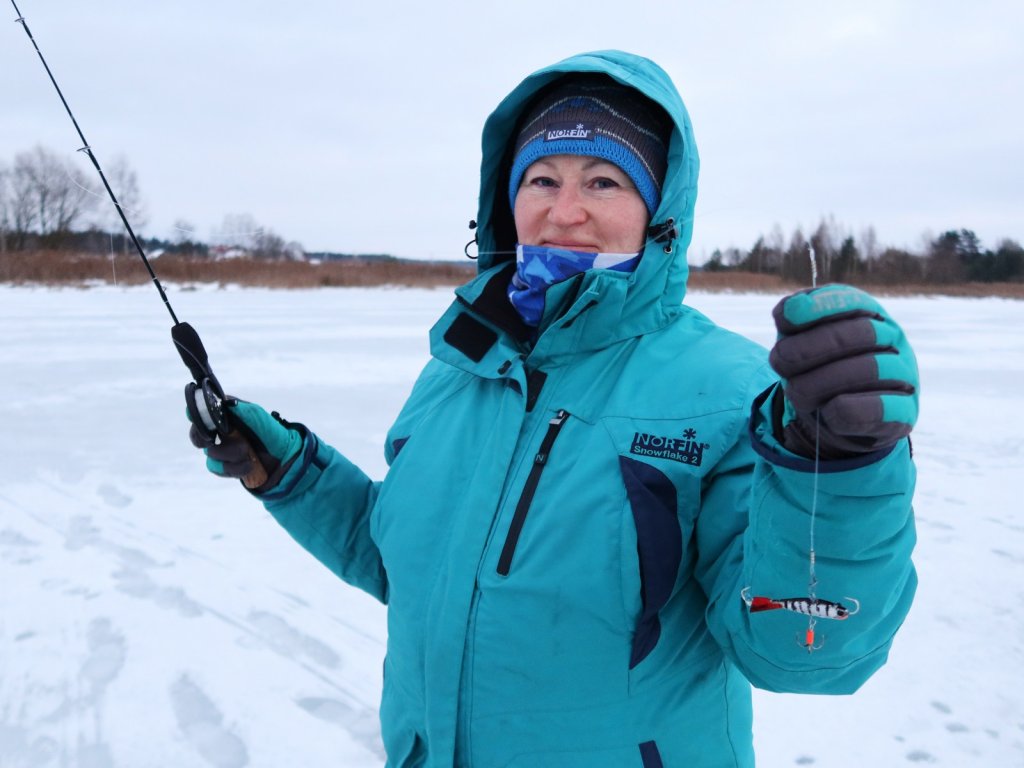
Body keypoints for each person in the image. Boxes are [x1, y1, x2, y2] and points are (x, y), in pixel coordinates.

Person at [188, 50, 918, 768]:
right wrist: (291, 474)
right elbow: (409, 568)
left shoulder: (729, 390)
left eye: (604, 180)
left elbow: (801, 652)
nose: (564, 212)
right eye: (542, 179)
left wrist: (842, 468)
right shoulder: (459, 368)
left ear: (660, 212)